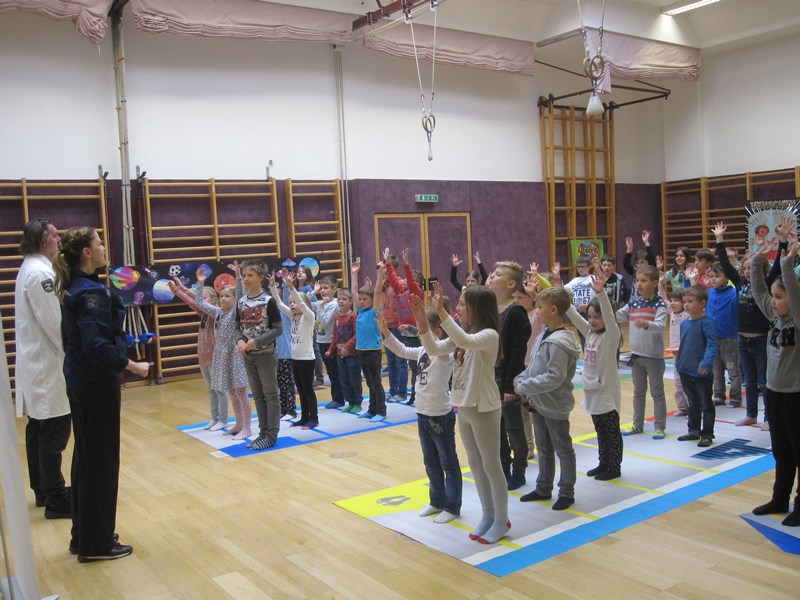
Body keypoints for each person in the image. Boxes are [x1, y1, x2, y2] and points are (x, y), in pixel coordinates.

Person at [53, 226, 149, 562]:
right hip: (95, 382)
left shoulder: (78, 288)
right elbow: (96, 344)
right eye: (99, 243)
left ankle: (85, 535)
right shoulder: (91, 293)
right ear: (87, 253)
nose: (104, 248)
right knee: (101, 462)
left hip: (81, 381)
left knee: (86, 458)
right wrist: (131, 365)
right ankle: (96, 543)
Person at [419, 283, 507, 544]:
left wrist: (441, 312)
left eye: (462, 305)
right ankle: (488, 514)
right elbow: (434, 349)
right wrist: (421, 320)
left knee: (492, 466)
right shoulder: (463, 334)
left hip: (484, 408)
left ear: (477, 308)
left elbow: (465, 341)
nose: (457, 309)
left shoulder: (489, 335)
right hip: (464, 407)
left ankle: (501, 520)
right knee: (476, 465)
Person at [379, 295, 461, 523]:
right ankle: (437, 501)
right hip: (422, 412)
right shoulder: (424, 350)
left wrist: (423, 320)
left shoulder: (444, 353)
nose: (418, 331)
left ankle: (452, 506)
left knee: (448, 463)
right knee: (430, 462)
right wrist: (386, 333)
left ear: (437, 332)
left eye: (423, 326)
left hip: (440, 415)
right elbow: (403, 350)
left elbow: (434, 347)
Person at [15, 218, 72, 519]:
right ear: (41, 240)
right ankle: (55, 498)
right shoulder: (40, 273)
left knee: (38, 429)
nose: (59, 239)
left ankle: (43, 489)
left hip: (37, 362)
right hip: (48, 364)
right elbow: (54, 322)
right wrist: (74, 352)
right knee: (53, 431)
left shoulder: (30, 268)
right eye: (54, 235)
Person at [515, 286, 581, 509]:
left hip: (555, 404)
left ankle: (567, 492)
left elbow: (555, 376)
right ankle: (543, 487)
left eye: (540, 306)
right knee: (543, 448)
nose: (537, 310)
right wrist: (521, 378)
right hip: (539, 403)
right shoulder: (544, 335)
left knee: (563, 449)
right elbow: (534, 365)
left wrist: (525, 386)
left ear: (553, 310)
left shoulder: (561, 341)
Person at [750, 241, 800, 527]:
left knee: (798, 451)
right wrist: (757, 260)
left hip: (796, 395)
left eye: (779, 297)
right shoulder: (774, 318)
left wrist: (786, 264)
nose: (773, 301)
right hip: (774, 394)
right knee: (781, 451)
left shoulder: (798, 322)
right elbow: (759, 291)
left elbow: (793, 291)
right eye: (774, 297)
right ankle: (780, 498)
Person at [566, 275, 624, 480]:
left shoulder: (611, 336)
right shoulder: (590, 333)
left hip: (606, 393)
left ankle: (614, 467)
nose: (592, 321)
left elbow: (608, 315)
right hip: (592, 391)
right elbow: (574, 316)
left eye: (596, 317)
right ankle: (604, 462)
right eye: (590, 317)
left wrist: (601, 294)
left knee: (611, 432)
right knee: (600, 431)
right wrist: (562, 296)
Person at [486, 261, 531, 491]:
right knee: (496, 429)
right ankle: (502, 469)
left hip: (507, 379)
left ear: (511, 284)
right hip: (489, 377)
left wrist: (508, 387)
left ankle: (519, 470)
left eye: (497, 274)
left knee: (513, 428)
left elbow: (516, 353)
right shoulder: (490, 311)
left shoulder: (516, 313)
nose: (491, 276)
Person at [193, 268, 251, 441]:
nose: (223, 298)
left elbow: (241, 296)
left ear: (235, 299)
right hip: (221, 355)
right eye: (222, 296)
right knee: (232, 392)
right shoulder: (218, 312)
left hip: (235, 355)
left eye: (227, 296)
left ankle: (247, 427)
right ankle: (239, 424)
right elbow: (200, 303)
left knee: (241, 393)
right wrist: (200, 283)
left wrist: (238, 278)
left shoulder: (235, 312)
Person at [235, 259, 283, 450]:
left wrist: (257, 341)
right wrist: (239, 340)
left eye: (250, 275)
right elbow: (237, 327)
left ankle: (271, 435)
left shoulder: (268, 301)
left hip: (266, 355)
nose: (246, 279)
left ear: (261, 278)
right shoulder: (241, 302)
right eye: (244, 275)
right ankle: (263, 432)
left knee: (270, 395)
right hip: (248, 357)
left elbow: (278, 329)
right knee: (258, 395)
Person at [169, 277, 228, 431]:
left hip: (215, 357)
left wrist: (182, 289)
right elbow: (192, 302)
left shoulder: (217, 314)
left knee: (219, 389)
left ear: (213, 300)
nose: (200, 301)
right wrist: (178, 291)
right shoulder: (203, 315)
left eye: (204, 298)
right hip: (204, 357)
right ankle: (214, 418)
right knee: (211, 389)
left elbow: (196, 302)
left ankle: (223, 419)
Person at [616, 265, 668, 439]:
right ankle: (637, 424)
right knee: (638, 392)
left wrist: (646, 324)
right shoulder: (634, 303)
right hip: (636, 356)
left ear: (654, 283)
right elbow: (619, 316)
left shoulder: (659, 304)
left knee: (657, 393)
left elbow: (660, 325)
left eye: (643, 281)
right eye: (637, 280)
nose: (639, 284)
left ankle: (659, 427)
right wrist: (604, 309)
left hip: (654, 357)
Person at [269, 271, 318, 429]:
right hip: (295, 359)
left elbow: (302, 304)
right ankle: (304, 417)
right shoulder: (293, 317)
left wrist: (291, 288)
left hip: (307, 359)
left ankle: (314, 418)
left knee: (308, 390)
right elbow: (279, 304)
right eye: (290, 302)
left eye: (294, 302)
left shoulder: (309, 317)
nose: (291, 305)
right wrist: (273, 287)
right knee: (301, 391)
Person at [675, 285, 718, 447]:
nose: (686, 304)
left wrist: (705, 362)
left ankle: (707, 434)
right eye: (685, 301)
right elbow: (684, 344)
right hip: (685, 370)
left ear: (702, 303)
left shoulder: (707, 323)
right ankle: (693, 430)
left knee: (706, 404)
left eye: (690, 301)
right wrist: (680, 363)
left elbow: (712, 345)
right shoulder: (684, 323)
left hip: (701, 372)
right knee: (692, 403)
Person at [351, 260, 386, 422]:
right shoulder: (360, 311)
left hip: (373, 352)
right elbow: (353, 292)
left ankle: (381, 411)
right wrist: (354, 274)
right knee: (370, 383)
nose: (361, 301)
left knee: (376, 382)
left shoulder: (375, 311)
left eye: (365, 299)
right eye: (360, 299)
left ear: (372, 300)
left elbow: (377, 293)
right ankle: (372, 409)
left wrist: (379, 276)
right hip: (362, 351)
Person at [658, 276, 690, 416]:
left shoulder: (687, 315)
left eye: (676, 301)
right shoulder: (672, 313)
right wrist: (660, 282)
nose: (672, 303)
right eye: (671, 300)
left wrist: (692, 280)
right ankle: (683, 407)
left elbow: (693, 297)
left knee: (688, 382)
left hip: (687, 353)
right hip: (676, 354)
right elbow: (662, 297)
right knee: (678, 382)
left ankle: (693, 407)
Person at [326, 288, 361, 413]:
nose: (341, 301)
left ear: (351, 301)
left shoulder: (353, 316)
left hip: (352, 355)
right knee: (344, 380)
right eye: (339, 299)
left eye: (344, 299)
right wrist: (331, 349)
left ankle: (357, 402)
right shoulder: (337, 318)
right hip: (340, 355)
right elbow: (335, 336)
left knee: (354, 380)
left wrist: (347, 346)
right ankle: (350, 402)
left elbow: (357, 335)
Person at [313, 276, 342, 409]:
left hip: (330, 342)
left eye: (326, 288)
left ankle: (338, 398)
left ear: (334, 290)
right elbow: (304, 303)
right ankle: (337, 397)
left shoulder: (334, 305)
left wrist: (321, 307)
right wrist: (313, 292)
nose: (323, 291)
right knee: (331, 372)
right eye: (321, 289)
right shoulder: (322, 303)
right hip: (321, 340)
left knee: (334, 372)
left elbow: (324, 322)